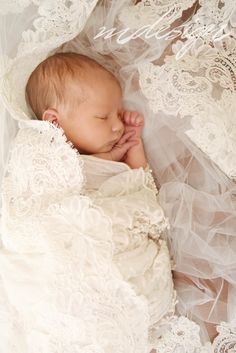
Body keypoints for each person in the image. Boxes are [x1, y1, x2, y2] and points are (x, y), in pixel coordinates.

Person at [0, 51, 175, 353]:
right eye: (103, 116)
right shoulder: (39, 153)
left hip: (110, 249)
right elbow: (29, 207)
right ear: (53, 122)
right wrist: (110, 156)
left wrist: (133, 147)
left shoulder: (111, 152)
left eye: (119, 113)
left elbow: (140, 185)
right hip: (56, 254)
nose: (117, 125)